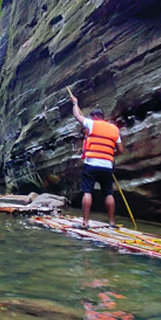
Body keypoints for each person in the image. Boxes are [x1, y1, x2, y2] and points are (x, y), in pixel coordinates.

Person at [71, 96, 123, 229]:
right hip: (107, 165)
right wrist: (110, 155)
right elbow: (120, 150)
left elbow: (77, 115)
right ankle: (111, 223)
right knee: (108, 193)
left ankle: (85, 223)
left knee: (88, 191)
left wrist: (75, 103)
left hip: (92, 164)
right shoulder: (114, 129)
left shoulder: (91, 124)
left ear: (94, 117)